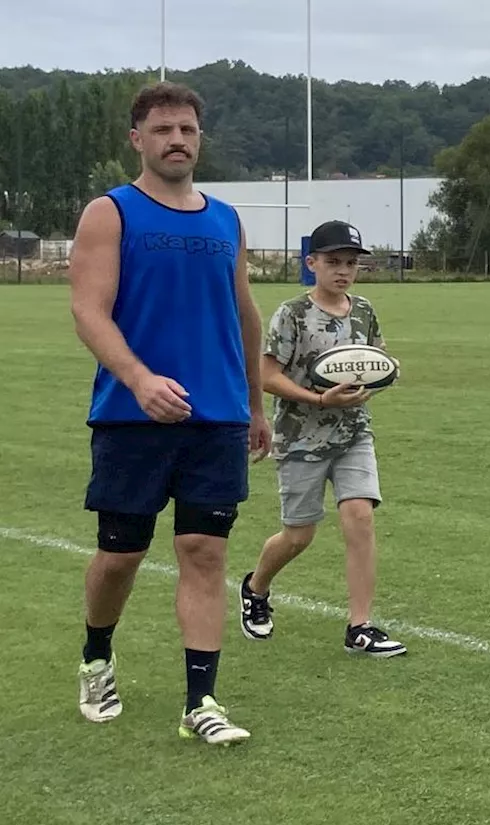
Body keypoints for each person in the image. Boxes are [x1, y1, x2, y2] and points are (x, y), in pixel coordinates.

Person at [68, 81, 270, 744]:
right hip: (133, 417)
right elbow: (88, 312)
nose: (177, 140)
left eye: (186, 129)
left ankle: (201, 703)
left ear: (199, 137)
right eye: (162, 131)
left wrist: (256, 403)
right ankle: (97, 652)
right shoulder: (111, 213)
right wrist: (139, 378)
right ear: (137, 139)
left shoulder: (226, 219)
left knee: (204, 551)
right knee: (121, 555)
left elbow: (244, 314)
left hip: (217, 416)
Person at [240, 220, 406, 658]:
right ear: (310, 263)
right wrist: (319, 398)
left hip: (354, 434)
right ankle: (256, 587)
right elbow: (266, 375)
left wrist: (383, 374)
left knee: (359, 516)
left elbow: (375, 358)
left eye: (351, 263)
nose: (343, 271)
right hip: (300, 439)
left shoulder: (365, 310)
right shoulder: (292, 314)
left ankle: (361, 626)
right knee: (298, 536)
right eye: (333, 262)